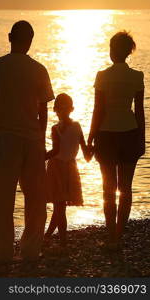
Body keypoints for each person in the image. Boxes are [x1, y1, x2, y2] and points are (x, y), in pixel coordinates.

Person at [0, 20, 54, 264]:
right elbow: (43, 110)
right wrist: (41, 138)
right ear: (30, 40)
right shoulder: (39, 69)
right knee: (35, 198)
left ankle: (2, 252)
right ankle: (31, 249)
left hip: (6, 138)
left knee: (1, 198)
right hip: (32, 139)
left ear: (10, 37)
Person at [87, 31, 145, 250]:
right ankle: (118, 236)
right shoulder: (137, 76)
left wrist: (91, 136)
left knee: (108, 188)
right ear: (129, 52)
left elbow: (98, 109)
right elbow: (138, 111)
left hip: (106, 134)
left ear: (113, 50)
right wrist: (143, 138)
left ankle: (111, 235)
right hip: (130, 132)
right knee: (126, 188)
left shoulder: (102, 75)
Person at [44, 93, 93, 247]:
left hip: (57, 168)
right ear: (72, 109)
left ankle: (63, 241)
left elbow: (55, 151)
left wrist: (39, 158)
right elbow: (86, 155)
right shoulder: (77, 126)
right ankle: (47, 235)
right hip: (71, 168)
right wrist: (94, 148)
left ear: (55, 110)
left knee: (59, 206)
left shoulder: (55, 128)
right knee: (60, 206)